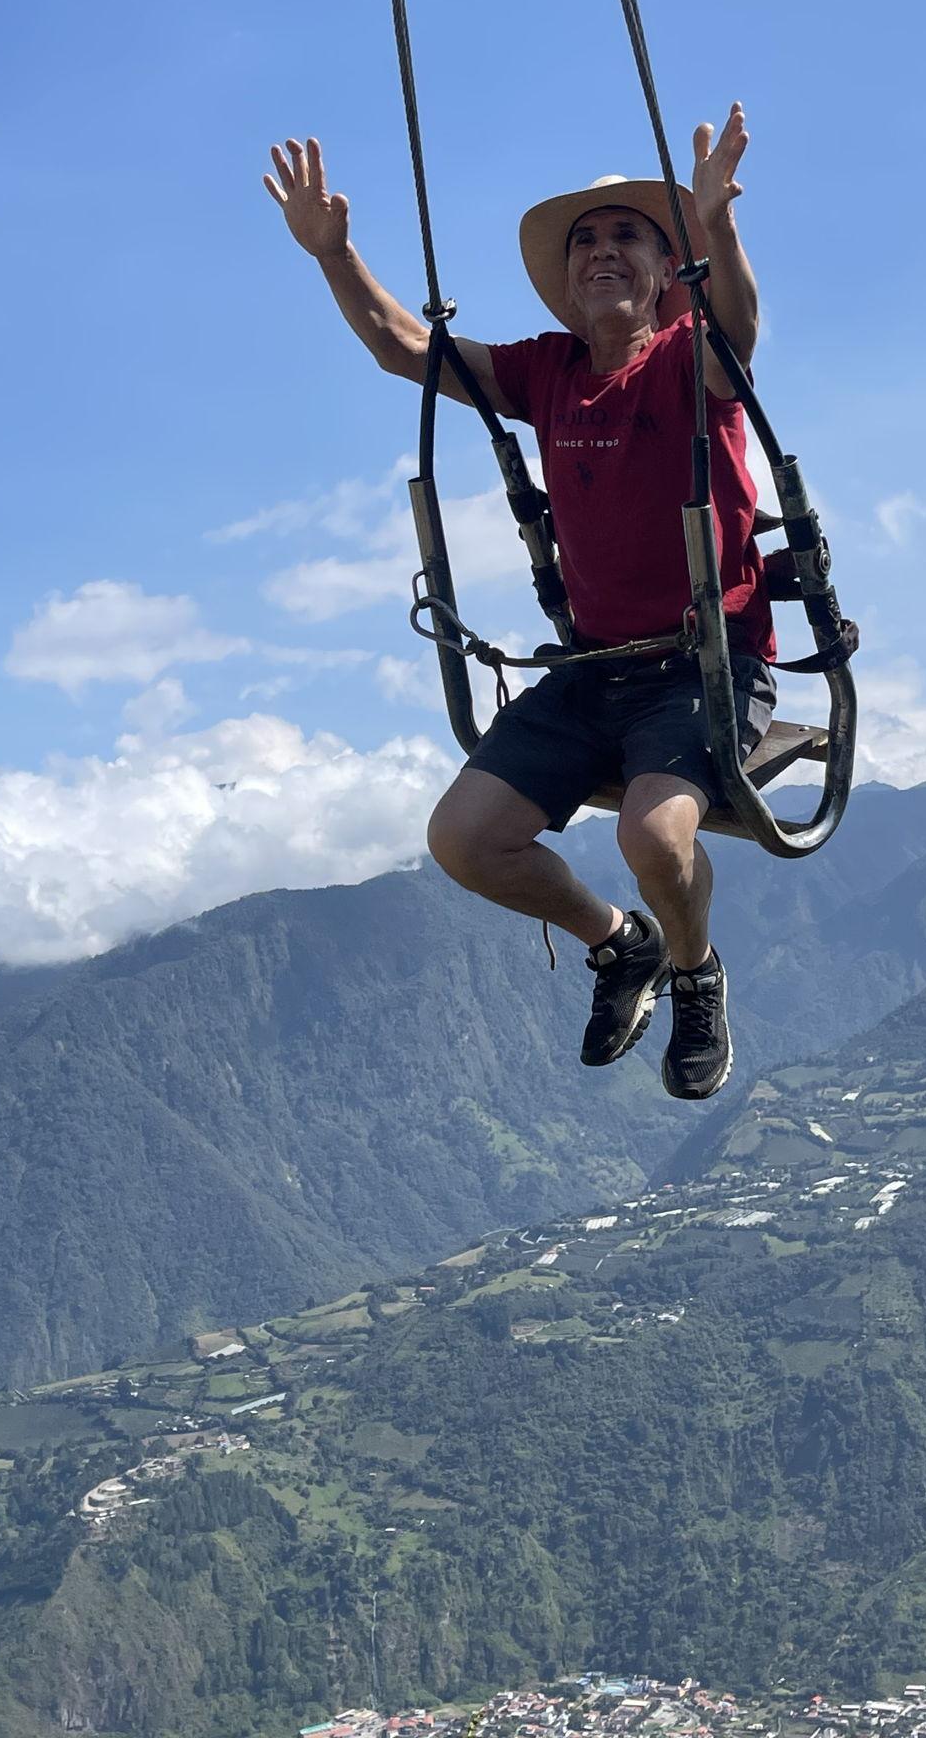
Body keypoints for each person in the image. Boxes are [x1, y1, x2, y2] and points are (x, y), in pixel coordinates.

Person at [263, 105, 774, 1101]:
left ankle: (693, 970)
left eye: (627, 234)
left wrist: (719, 226)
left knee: (653, 836)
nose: (600, 249)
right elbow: (403, 348)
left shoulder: (688, 361)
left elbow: (736, 331)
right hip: (593, 669)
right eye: (585, 239)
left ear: (670, 274)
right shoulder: (546, 372)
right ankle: (615, 942)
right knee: (462, 841)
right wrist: (334, 254)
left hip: (706, 663)